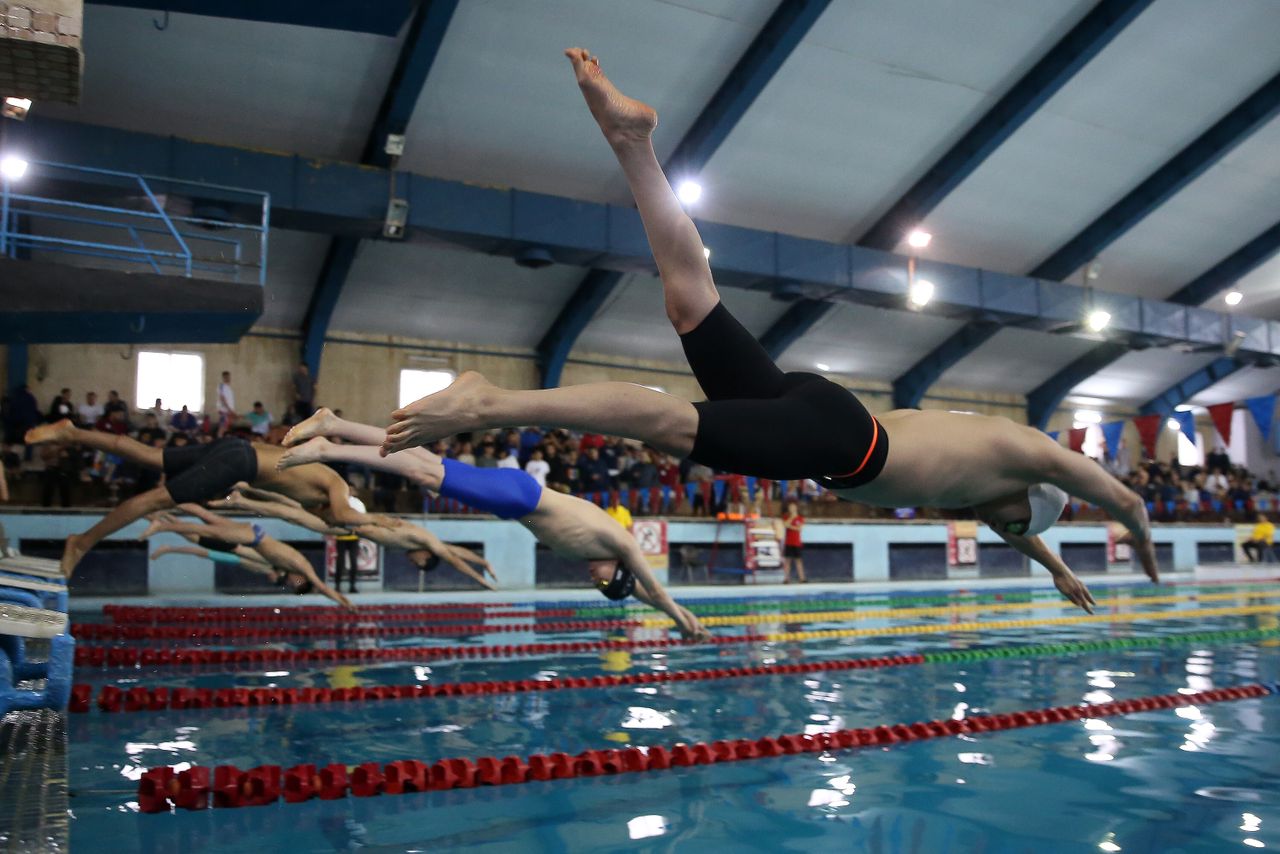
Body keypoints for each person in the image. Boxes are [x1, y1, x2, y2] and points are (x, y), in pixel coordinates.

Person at [379, 49, 1156, 612]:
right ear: (1027, 499)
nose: (998, 527)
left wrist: (1054, 568)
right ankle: (490, 404)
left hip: (824, 409)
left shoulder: (998, 489)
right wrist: (1140, 537)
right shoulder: (1025, 455)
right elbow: (1117, 494)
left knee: (692, 305)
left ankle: (633, 145)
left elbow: (1019, 526)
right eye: (1012, 523)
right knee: (672, 426)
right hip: (840, 446)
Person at [281, 409, 707, 639]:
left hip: (514, 500)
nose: (595, 578)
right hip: (521, 496)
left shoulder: (599, 555)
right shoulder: (620, 543)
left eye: (599, 585)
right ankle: (326, 449)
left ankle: (334, 425)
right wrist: (679, 618)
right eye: (604, 580)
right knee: (422, 471)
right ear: (620, 570)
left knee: (423, 460)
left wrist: (679, 613)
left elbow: (639, 595)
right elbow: (654, 589)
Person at [24, 418, 389, 576]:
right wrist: (377, 524)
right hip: (238, 462)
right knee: (154, 500)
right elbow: (345, 515)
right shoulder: (339, 487)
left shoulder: (320, 482)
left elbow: (282, 494)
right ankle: (81, 543)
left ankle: (72, 433)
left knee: (152, 456)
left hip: (236, 450)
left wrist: (243, 497)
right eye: (329, 520)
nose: (325, 521)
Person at [211, 488, 498, 591]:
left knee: (297, 511)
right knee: (295, 513)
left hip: (350, 524)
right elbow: (454, 559)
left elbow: (456, 551)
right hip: (353, 518)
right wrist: (480, 579)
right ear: (425, 558)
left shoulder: (425, 542)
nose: (413, 563)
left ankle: (245, 496)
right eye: (418, 565)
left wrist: (483, 562)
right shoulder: (427, 542)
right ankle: (243, 499)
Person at [143, 505, 353, 610]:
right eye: (296, 583)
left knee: (207, 519)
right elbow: (323, 588)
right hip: (251, 538)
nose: (291, 582)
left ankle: (161, 510)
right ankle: (162, 524)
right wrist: (345, 603)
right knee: (204, 528)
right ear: (302, 578)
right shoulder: (301, 565)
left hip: (252, 536)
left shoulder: (282, 568)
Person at [782, 500, 806, 584]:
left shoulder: (800, 518)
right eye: (790, 507)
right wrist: (792, 518)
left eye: (793, 507)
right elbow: (785, 525)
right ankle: (786, 578)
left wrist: (790, 526)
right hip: (788, 542)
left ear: (796, 508)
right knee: (787, 561)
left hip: (796, 543)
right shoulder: (786, 517)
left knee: (798, 560)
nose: (792, 509)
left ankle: (802, 578)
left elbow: (799, 529)